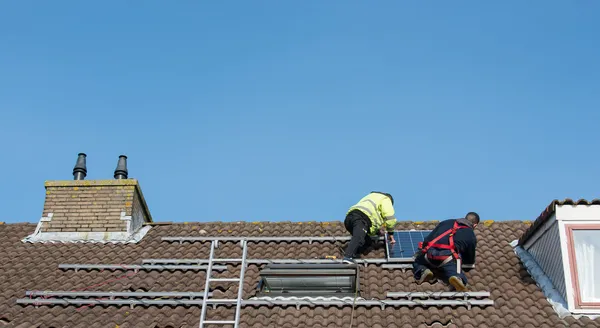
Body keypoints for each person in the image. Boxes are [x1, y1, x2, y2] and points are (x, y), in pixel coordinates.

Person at [412, 212, 479, 292]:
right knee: (457, 262)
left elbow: (427, 240)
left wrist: (423, 251)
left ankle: (423, 270)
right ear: (475, 225)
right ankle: (457, 277)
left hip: (429, 256)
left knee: (417, 260)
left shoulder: (446, 222)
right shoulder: (470, 235)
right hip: (447, 259)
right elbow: (469, 258)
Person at [342, 191, 397, 264]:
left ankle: (355, 254)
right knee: (359, 237)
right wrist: (391, 233)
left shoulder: (372, 196)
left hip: (349, 219)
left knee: (367, 241)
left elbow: (372, 218)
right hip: (361, 218)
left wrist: (377, 231)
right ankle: (348, 257)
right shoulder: (386, 199)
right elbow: (390, 218)